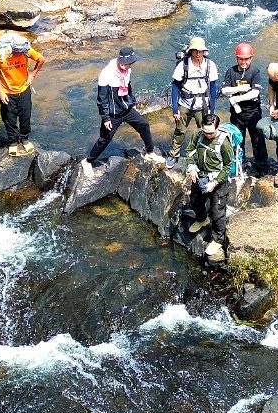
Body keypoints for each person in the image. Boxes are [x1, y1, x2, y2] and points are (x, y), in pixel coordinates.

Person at [81, 47, 165, 177]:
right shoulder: (106, 74)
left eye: (131, 63)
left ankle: (150, 153)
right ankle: (87, 161)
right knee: (105, 139)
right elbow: (101, 98)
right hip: (113, 114)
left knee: (144, 125)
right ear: (121, 61)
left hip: (126, 110)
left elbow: (128, 87)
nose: (130, 66)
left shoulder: (127, 69)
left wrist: (131, 102)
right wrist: (105, 118)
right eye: (128, 64)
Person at [183, 113, 232, 261]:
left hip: (217, 180)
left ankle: (217, 239)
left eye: (211, 132)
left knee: (217, 212)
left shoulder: (224, 142)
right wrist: (191, 167)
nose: (208, 135)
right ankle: (202, 219)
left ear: (217, 127)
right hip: (199, 176)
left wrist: (215, 182)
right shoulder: (198, 134)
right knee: (195, 201)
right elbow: (189, 151)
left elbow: (228, 165)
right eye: (205, 131)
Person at [167, 36, 219, 167]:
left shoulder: (210, 65)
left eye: (200, 51)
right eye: (195, 50)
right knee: (180, 130)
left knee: (205, 130)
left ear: (204, 52)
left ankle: (203, 155)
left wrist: (212, 108)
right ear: (191, 51)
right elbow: (174, 87)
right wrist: (174, 109)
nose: (198, 53)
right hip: (185, 103)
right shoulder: (183, 65)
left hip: (203, 104)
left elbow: (213, 87)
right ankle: (174, 154)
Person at [0, 34, 46, 155]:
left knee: (25, 116)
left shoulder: (26, 51)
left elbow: (41, 59)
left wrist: (32, 75)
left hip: (24, 89)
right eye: (17, 52)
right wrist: (0, 92)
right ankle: (13, 142)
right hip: (7, 92)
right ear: (12, 49)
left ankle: (24, 139)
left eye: (22, 52)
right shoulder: (0, 55)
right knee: (9, 119)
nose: (20, 54)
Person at [220, 42, 268, 174]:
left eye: (246, 59)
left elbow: (255, 93)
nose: (243, 62)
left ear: (251, 58)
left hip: (253, 113)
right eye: (241, 59)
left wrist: (237, 98)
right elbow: (224, 90)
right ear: (237, 58)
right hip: (236, 114)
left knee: (258, 139)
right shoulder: (231, 71)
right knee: (237, 138)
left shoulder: (255, 72)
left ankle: (262, 166)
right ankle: (238, 162)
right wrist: (238, 89)